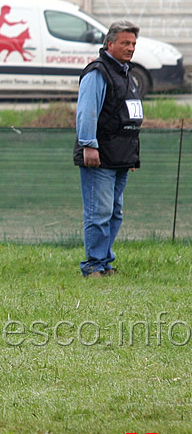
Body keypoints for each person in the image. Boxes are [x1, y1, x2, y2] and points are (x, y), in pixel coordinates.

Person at [73, 21, 142, 278]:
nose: (130, 48)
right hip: (99, 156)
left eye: (133, 43)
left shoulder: (126, 73)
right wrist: (89, 145)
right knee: (98, 212)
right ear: (109, 43)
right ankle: (93, 265)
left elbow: (130, 117)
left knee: (114, 212)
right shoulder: (97, 73)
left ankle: (104, 262)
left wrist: (131, 155)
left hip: (121, 156)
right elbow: (87, 112)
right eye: (125, 42)